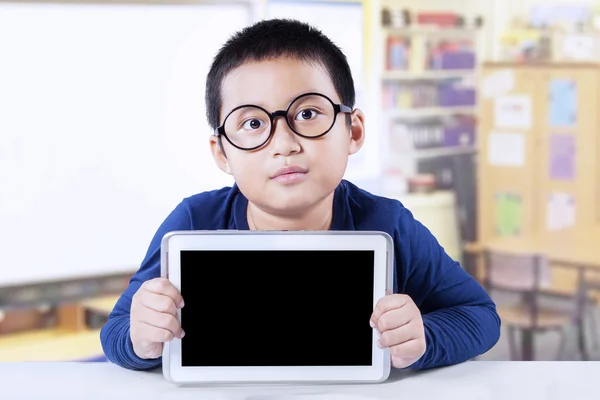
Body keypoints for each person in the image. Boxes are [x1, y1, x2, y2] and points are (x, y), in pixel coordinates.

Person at [100, 18, 500, 372]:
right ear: (222, 152)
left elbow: (480, 317)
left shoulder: (390, 225)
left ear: (353, 132)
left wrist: (424, 337)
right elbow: (117, 332)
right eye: (253, 123)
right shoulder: (193, 221)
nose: (284, 144)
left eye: (307, 114)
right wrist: (141, 337)